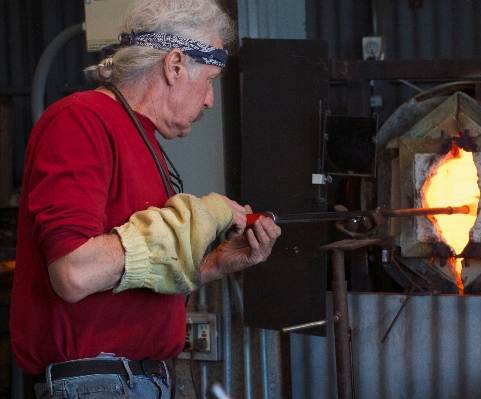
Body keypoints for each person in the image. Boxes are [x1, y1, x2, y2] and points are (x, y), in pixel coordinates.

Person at [9, 0, 281, 397]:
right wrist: (187, 223)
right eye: (209, 81)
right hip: (98, 383)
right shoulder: (80, 121)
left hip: (135, 379)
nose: (209, 100)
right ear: (173, 65)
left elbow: (134, 273)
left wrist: (215, 263)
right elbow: (74, 272)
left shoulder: (144, 140)